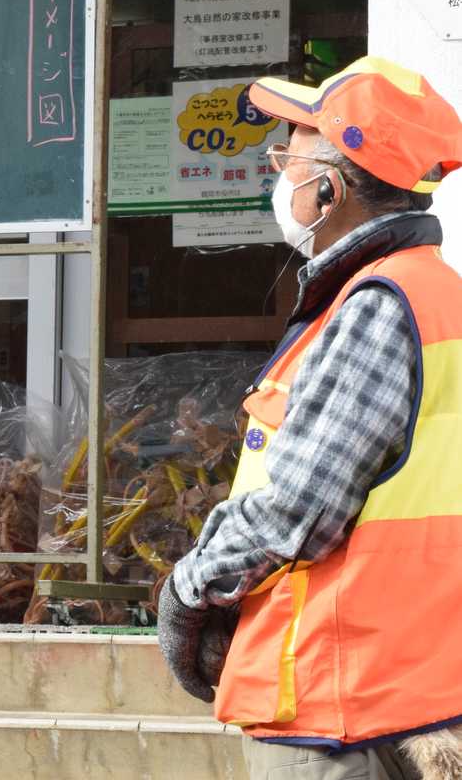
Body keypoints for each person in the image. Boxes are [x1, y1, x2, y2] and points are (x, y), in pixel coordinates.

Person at [157, 57, 462, 780]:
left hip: (340, 698)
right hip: (412, 685)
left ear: (329, 188)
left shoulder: (376, 306)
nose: (277, 178)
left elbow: (302, 508)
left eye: (285, 161)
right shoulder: (438, 297)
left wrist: (188, 589)